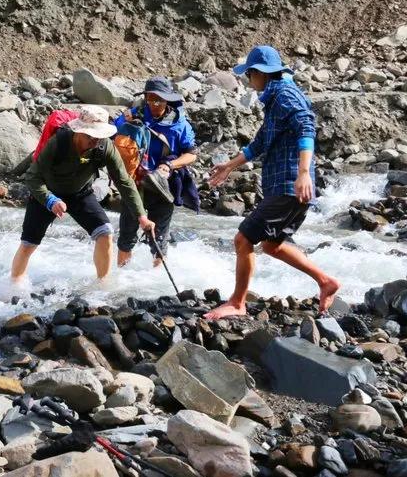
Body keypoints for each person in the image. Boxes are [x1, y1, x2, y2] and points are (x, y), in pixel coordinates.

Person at [204, 45, 340, 320]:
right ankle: (326, 281)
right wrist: (229, 166)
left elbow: (307, 128)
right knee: (271, 245)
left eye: (249, 75)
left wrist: (303, 173)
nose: (248, 81)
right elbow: (261, 143)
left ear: (260, 74)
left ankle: (238, 302)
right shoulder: (275, 99)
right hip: (286, 186)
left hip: (290, 184)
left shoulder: (286, 96)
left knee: (243, 240)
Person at [11, 105, 155, 282]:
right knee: (28, 244)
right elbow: (32, 177)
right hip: (46, 194)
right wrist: (50, 200)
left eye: (99, 136)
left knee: (105, 232)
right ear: (78, 131)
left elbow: (124, 181)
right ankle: (14, 287)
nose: (95, 141)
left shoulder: (105, 147)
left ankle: (103, 285)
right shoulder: (58, 143)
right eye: (90, 136)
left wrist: (141, 216)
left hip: (80, 194)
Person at [114, 77, 199, 268]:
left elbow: (191, 155)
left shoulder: (180, 124)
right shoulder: (133, 115)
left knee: (159, 238)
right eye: (150, 99)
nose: (154, 104)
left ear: (168, 99)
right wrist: (124, 124)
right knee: (126, 234)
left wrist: (169, 165)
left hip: (163, 185)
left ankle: (157, 278)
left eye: (159, 99)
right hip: (134, 183)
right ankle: (121, 280)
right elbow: (112, 137)